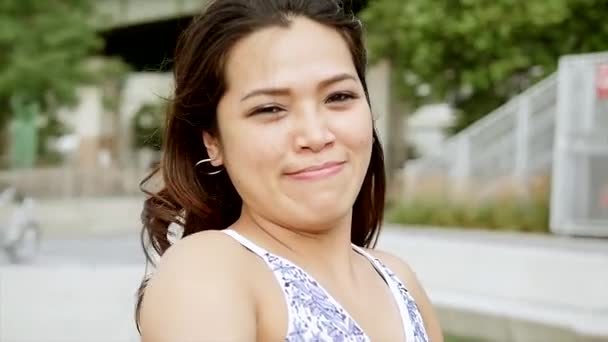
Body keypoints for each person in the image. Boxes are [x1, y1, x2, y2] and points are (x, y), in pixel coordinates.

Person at [136, 0, 443, 341]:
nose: (315, 136)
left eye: (339, 96)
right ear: (213, 142)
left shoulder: (398, 280)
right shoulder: (208, 270)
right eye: (270, 109)